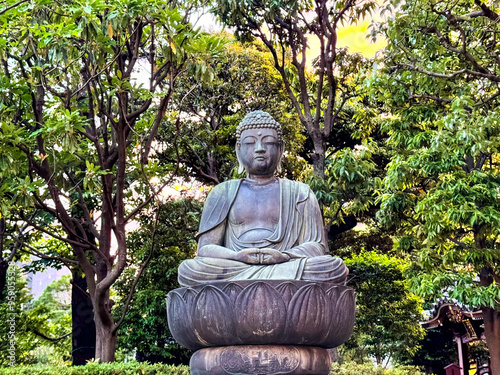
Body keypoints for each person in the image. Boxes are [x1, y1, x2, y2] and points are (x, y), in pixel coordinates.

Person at [178, 111, 348, 287]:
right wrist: (236, 256)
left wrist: (285, 256)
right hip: (235, 266)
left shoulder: (300, 192)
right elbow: (205, 249)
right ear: (238, 150)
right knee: (189, 269)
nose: (260, 148)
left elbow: (317, 247)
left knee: (332, 267)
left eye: (268, 142)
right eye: (250, 143)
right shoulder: (222, 192)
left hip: (285, 266)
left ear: (280, 149)